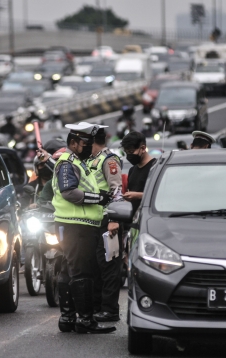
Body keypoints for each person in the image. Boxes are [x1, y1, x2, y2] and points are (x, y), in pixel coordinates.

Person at [52, 122, 115, 334]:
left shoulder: (80, 162)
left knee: (69, 271)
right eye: (84, 143)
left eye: (89, 143)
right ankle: (85, 320)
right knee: (81, 273)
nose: (89, 146)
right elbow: (69, 192)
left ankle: (68, 318)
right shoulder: (69, 163)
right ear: (72, 143)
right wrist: (98, 198)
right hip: (76, 225)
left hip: (77, 224)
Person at [85, 123, 123, 323]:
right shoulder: (92, 159)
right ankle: (98, 306)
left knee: (109, 267)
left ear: (91, 141)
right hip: (95, 221)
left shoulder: (109, 160)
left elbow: (116, 192)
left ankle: (110, 310)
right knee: (97, 266)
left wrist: (114, 219)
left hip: (109, 222)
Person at [121, 131, 157, 214]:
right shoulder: (132, 170)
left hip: (148, 216)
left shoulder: (155, 168)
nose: (129, 156)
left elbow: (159, 195)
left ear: (143, 148)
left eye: (131, 152)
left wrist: (137, 196)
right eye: (126, 153)